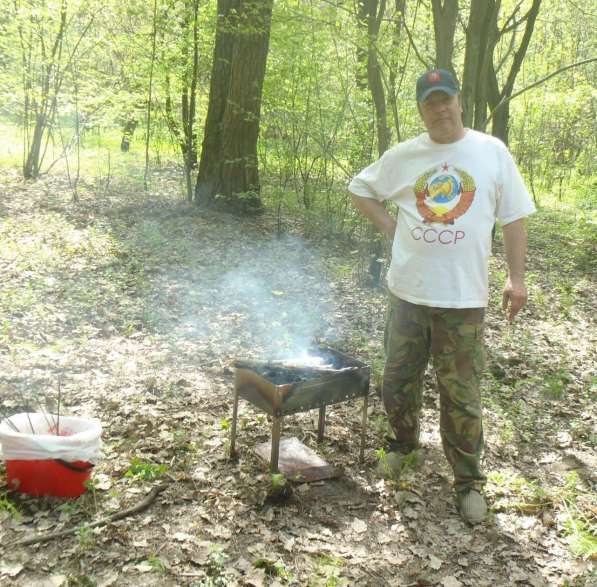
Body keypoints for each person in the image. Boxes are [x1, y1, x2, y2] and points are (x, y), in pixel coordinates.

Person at [348, 68, 535, 525]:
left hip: (463, 299)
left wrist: (517, 278)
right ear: (421, 108)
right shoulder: (406, 155)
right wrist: (392, 228)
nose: (440, 108)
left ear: (459, 100)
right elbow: (360, 187)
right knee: (397, 380)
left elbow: (513, 217)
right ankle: (403, 444)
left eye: (446, 98)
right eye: (431, 102)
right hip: (408, 293)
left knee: (461, 397)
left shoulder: (491, 152)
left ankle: (469, 482)